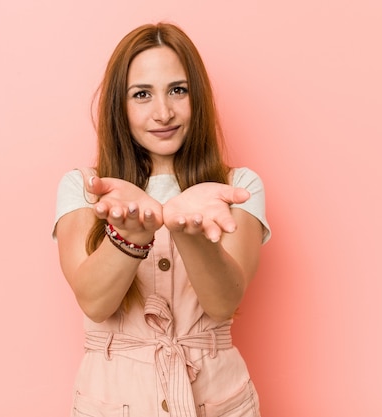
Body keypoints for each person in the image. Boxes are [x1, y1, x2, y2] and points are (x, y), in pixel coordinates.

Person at [53, 22, 271, 417]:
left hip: (219, 399)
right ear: (120, 106)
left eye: (178, 90)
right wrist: (130, 236)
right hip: (112, 399)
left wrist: (188, 231)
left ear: (197, 97)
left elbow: (223, 304)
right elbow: (94, 302)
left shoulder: (237, 186)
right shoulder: (86, 189)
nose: (164, 112)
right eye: (142, 95)